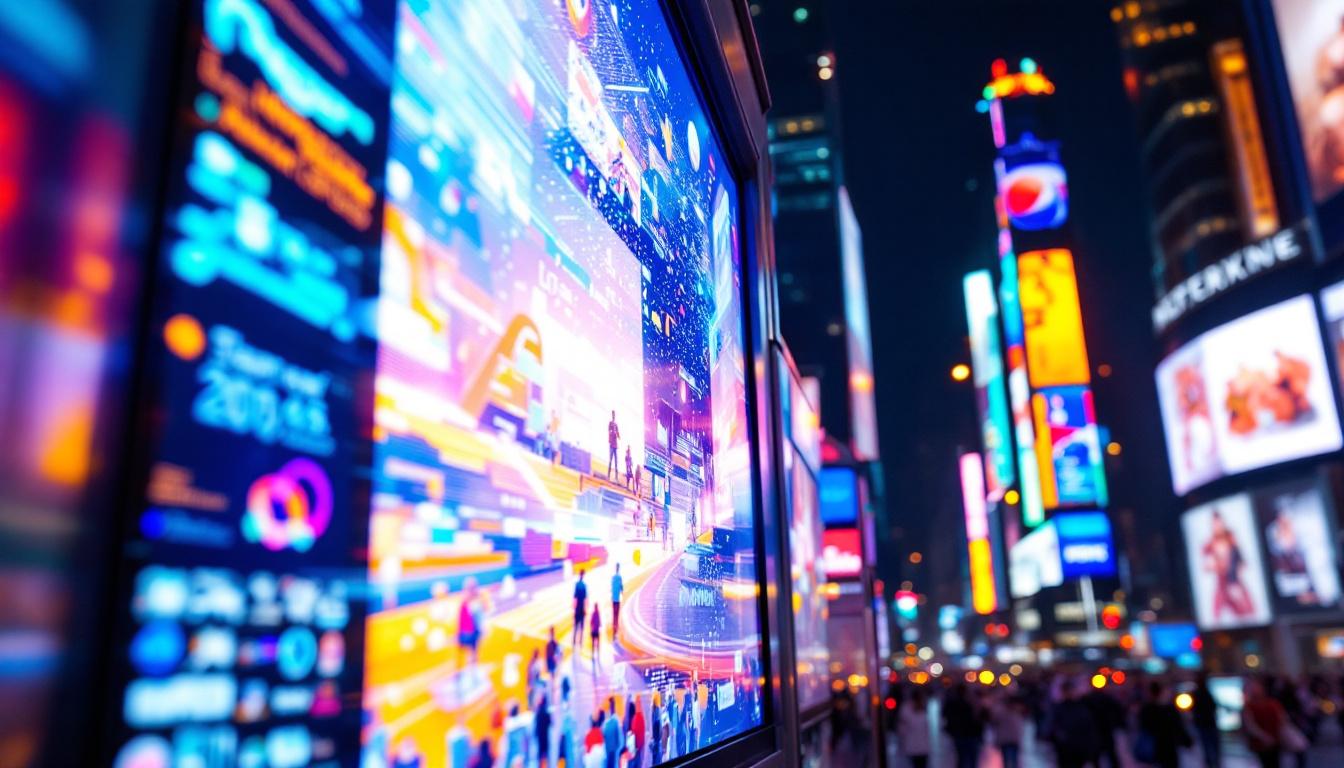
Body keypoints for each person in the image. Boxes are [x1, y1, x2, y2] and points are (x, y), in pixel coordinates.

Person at [1201, 509, 1256, 619]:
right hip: (1221, 584)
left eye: (1219, 523)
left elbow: (1241, 560)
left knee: (1247, 612)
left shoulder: (1231, 538)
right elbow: (1206, 566)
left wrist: (1236, 576)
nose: (1218, 526)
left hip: (1235, 581)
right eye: (1215, 524)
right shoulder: (1209, 544)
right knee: (1216, 615)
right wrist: (1215, 566)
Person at [1047, 679, 1101, 768]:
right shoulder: (1058, 708)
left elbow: (1089, 728)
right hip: (1065, 750)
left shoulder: (1083, 706)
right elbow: (1052, 727)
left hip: (1079, 749)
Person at [1136, 681, 1188, 768]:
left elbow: (1143, 726)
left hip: (1156, 747)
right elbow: (1178, 726)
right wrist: (1186, 740)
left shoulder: (1147, 709)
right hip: (1169, 746)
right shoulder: (1169, 709)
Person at [1243, 677, 1286, 768]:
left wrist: (1279, 734)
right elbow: (1251, 726)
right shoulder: (1249, 707)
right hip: (1261, 743)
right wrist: (1264, 737)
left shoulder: (1273, 703)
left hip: (1275, 739)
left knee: (1275, 763)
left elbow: (1282, 720)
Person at [943, 684, 985, 768]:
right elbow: (979, 719)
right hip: (970, 735)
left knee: (962, 759)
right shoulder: (972, 702)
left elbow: (946, 715)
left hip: (961, 734)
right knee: (971, 759)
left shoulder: (953, 703)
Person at [897, 687, 933, 768]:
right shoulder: (921, 710)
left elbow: (901, 728)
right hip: (921, 746)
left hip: (913, 745)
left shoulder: (905, 709)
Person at [1190, 674, 1221, 768]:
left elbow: (1192, 709)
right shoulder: (1207, 693)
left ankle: (1211, 763)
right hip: (1210, 722)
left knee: (1206, 745)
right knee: (1213, 745)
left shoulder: (1195, 694)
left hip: (1202, 724)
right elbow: (1213, 706)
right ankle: (1215, 763)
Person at [989, 693, 1025, 768]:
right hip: (1007, 740)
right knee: (1010, 760)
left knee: (1010, 760)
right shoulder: (1006, 712)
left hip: (1011, 740)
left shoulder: (1016, 711)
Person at [458, 577, 482, 682]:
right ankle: (471, 672)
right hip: (469, 632)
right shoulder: (469, 602)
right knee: (472, 653)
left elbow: (476, 618)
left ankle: (472, 671)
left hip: (470, 631)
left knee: (472, 653)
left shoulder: (471, 602)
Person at [603, 698, 623, 768]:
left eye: (611, 706)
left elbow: (619, 738)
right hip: (608, 751)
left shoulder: (615, 720)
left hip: (613, 751)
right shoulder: (606, 722)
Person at [573, 570, 588, 648]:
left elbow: (575, 597)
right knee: (582, 626)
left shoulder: (577, 585)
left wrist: (574, 608)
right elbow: (585, 598)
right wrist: (585, 608)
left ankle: (574, 641)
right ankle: (581, 641)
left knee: (576, 625)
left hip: (577, 608)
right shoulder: (584, 586)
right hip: (582, 608)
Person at [611, 563, 624, 639]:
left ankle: (614, 629)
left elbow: (612, 587)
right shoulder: (619, 577)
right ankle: (616, 629)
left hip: (613, 598)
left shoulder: (613, 578)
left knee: (614, 614)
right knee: (617, 614)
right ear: (619, 568)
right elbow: (621, 587)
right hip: (618, 599)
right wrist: (622, 593)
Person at [590, 602, 603, 671]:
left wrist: (593, 627)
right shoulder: (598, 614)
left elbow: (591, 622)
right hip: (596, 631)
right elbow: (600, 623)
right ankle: (597, 654)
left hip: (594, 631)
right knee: (597, 644)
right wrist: (598, 626)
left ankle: (593, 655)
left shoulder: (594, 614)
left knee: (593, 644)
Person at [607, 411, 620, 480]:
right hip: (611, 444)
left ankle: (616, 477)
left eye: (614, 415)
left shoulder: (616, 425)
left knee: (616, 462)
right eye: (613, 415)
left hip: (615, 445)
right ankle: (608, 476)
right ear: (612, 415)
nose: (613, 416)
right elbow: (609, 431)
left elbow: (618, 434)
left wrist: (617, 434)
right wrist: (612, 432)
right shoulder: (610, 423)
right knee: (610, 460)